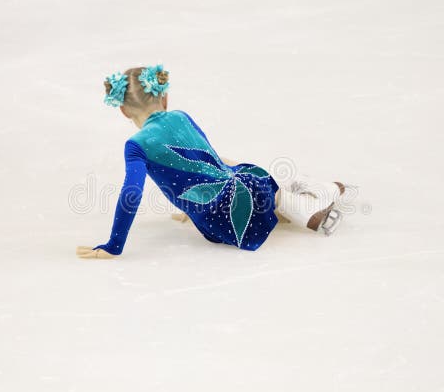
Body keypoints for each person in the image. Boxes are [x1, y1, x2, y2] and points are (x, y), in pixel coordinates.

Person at [77, 64, 351, 259]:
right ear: (165, 97)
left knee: (239, 184)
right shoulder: (181, 117)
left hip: (218, 221)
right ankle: (306, 199)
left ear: (123, 110)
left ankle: (304, 204)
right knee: (244, 174)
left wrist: (115, 244)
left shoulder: (136, 145)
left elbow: (131, 193)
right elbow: (209, 159)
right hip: (246, 189)